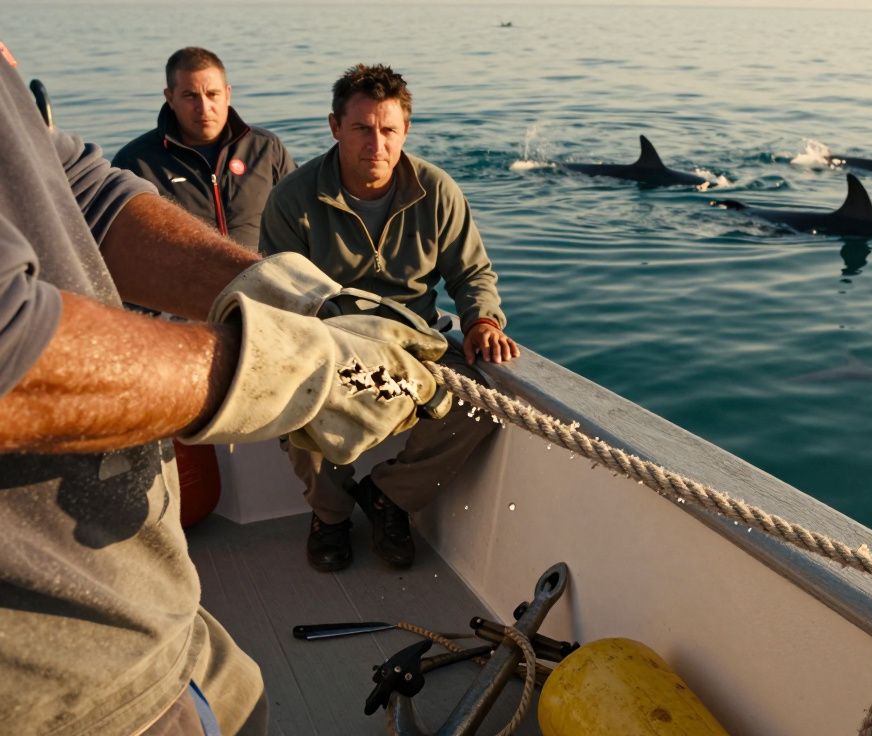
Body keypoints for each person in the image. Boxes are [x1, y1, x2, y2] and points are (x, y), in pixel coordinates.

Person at [0, 42, 449, 735]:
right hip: (54, 683)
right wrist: (284, 366)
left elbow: (85, 194)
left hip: (155, 614)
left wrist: (302, 307)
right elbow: (14, 357)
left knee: (242, 696)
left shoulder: (274, 151)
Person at [260, 63, 519, 573]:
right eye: (361, 128)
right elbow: (279, 296)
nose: (375, 144)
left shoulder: (436, 190)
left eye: (387, 130)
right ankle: (331, 517)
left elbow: (472, 274)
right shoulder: (293, 198)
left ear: (405, 130)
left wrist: (483, 322)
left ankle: (388, 497)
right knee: (293, 399)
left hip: (415, 343)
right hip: (327, 342)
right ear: (335, 126)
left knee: (487, 402)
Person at [112, 47, 294, 251]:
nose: (204, 107)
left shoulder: (266, 149)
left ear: (227, 94)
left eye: (212, 94)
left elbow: (300, 217)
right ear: (170, 98)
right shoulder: (136, 163)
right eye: (190, 96)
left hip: (265, 277)